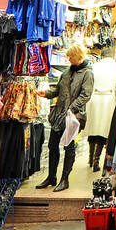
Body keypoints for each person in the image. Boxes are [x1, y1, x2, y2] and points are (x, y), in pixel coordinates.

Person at [35, 44, 94, 192]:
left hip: (74, 116)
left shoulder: (87, 73)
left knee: (69, 147)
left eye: (71, 56)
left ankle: (64, 179)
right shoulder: (67, 71)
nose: (68, 59)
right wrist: (47, 93)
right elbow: (58, 89)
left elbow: (86, 95)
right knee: (52, 145)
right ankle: (51, 177)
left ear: (78, 56)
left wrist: (73, 109)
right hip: (60, 115)